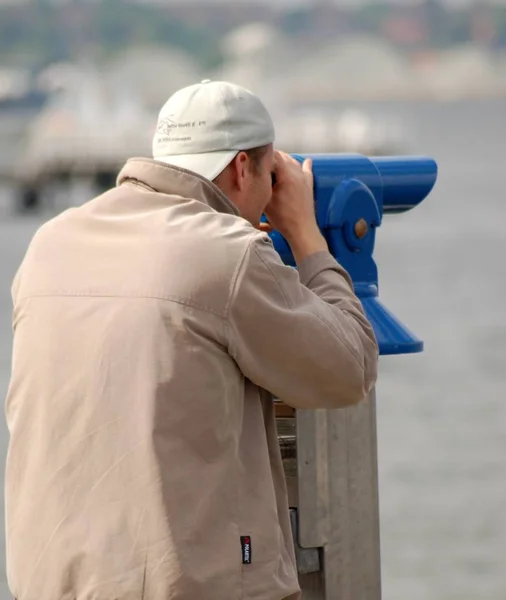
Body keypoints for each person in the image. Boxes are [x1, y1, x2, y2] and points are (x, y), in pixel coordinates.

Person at [4, 79, 379, 600]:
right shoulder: (228, 252)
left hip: (51, 581)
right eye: (272, 174)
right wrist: (305, 234)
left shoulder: (50, 244)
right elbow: (349, 367)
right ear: (244, 168)